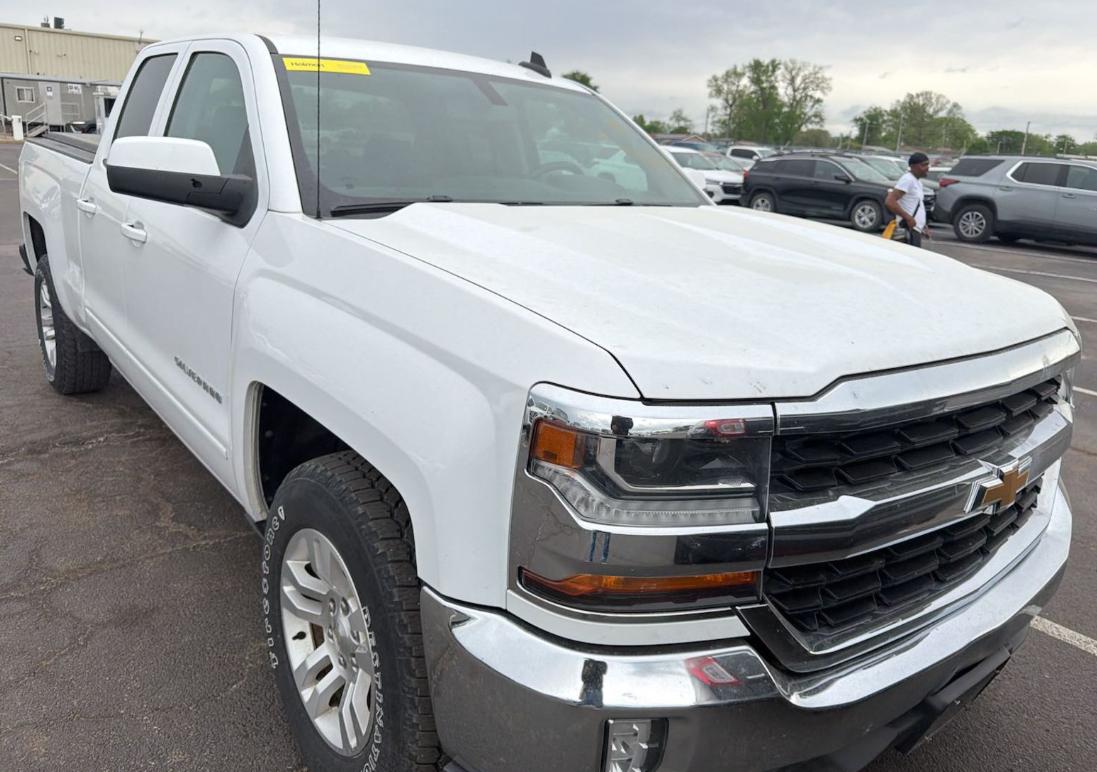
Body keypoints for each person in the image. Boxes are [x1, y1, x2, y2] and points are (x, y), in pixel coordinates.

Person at [886, 152, 932, 247]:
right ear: (912, 166)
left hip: (916, 229)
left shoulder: (917, 182)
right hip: (908, 229)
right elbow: (890, 202)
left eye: (928, 164)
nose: (927, 168)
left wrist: (924, 226)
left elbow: (916, 204)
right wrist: (908, 218)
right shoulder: (907, 180)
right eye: (923, 165)